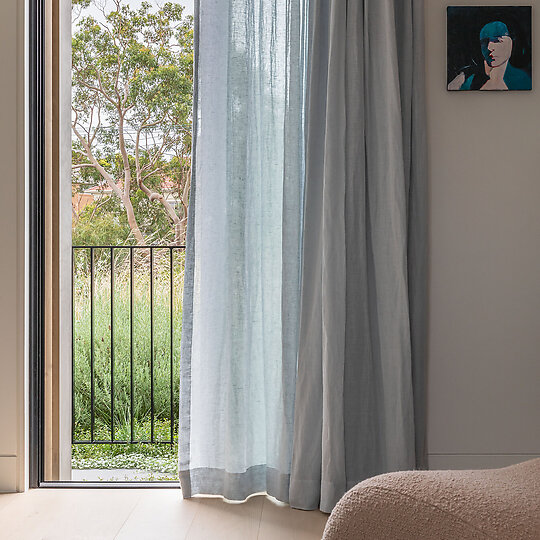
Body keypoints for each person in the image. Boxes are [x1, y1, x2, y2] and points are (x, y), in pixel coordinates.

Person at [448, 21, 531, 91]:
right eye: (484, 42)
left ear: (512, 43)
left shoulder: (523, 81)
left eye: (497, 41)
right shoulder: (464, 81)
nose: (489, 47)